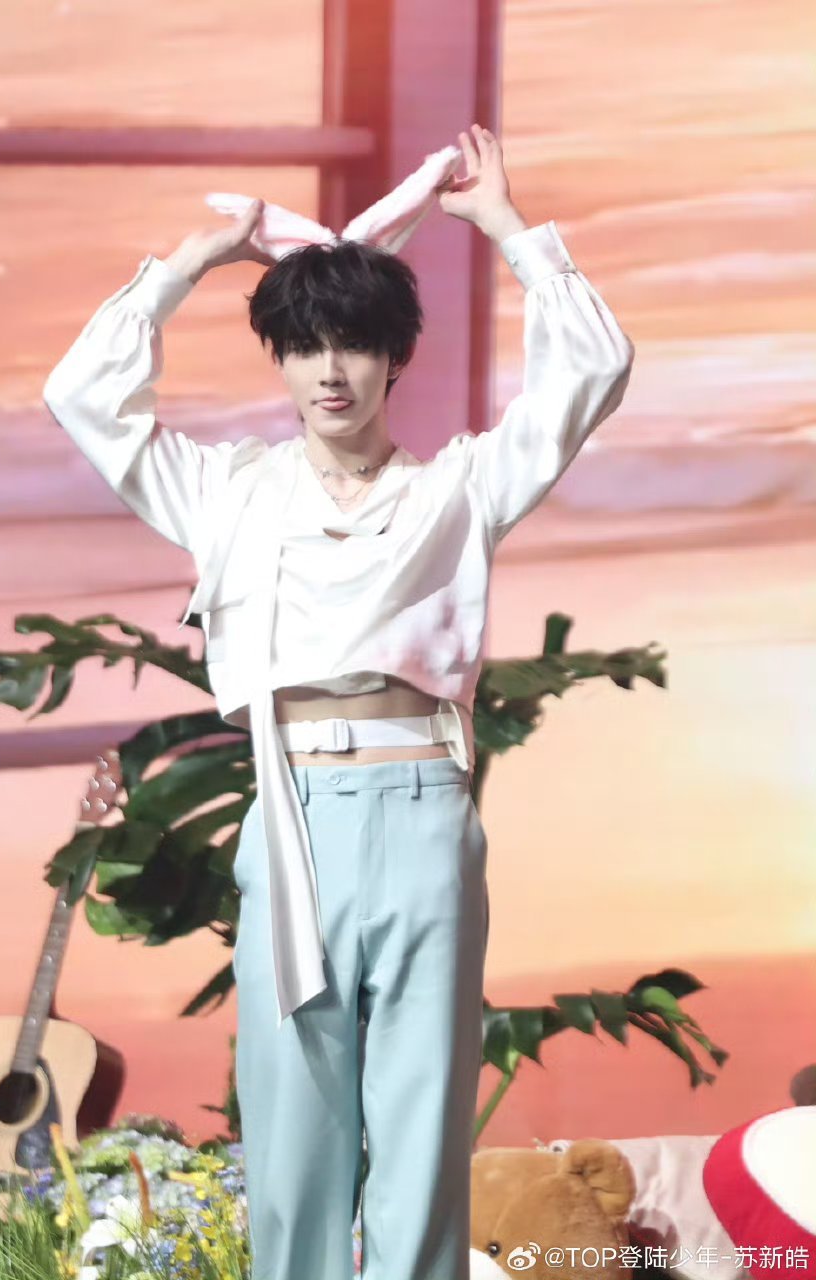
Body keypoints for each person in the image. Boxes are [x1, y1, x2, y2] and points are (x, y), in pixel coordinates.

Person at [43, 124, 635, 1280]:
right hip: (292, 814)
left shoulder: (459, 488)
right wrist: (195, 260)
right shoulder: (225, 492)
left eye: (355, 344)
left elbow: (592, 372)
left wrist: (507, 226)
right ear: (277, 357)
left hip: (421, 811)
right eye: (306, 345)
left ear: (395, 358)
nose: (330, 371)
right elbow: (83, 395)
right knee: (293, 1133)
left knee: (420, 1124)